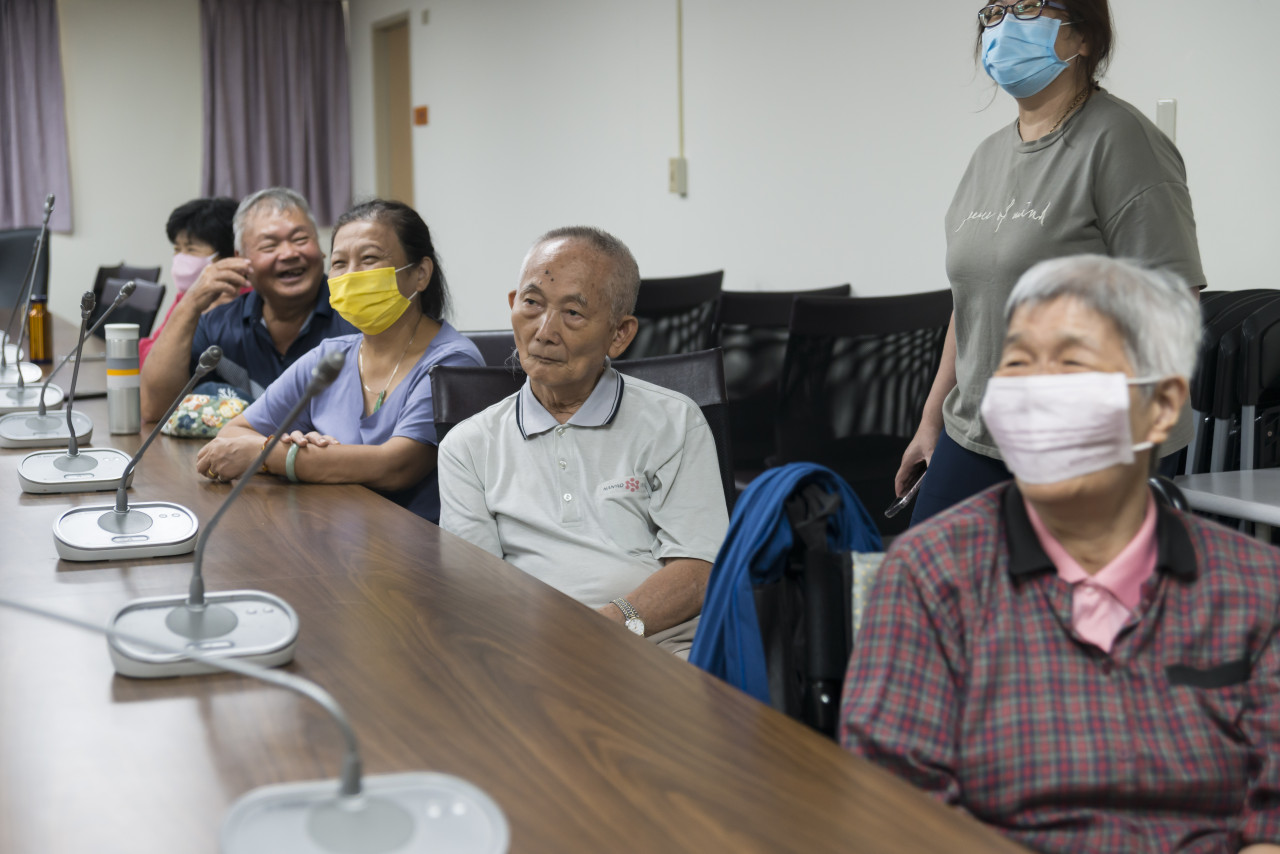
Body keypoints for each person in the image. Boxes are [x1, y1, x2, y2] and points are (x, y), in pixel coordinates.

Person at [842, 255, 1280, 854]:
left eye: (1071, 363)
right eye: (1017, 365)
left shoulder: (1259, 588)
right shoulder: (931, 575)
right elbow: (896, 816)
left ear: (1161, 406)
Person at [897, 0, 1205, 527]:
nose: (1003, 25)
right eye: (993, 11)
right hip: (974, 435)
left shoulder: (1122, 142)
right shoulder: (987, 157)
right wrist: (931, 421)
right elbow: (970, 303)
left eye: (1027, 6)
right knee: (930, 597)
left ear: (1084, 38)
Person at [436, 226, 729, 657]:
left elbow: (699, 569)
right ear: (513, 305)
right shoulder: (468, 446)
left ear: (619, 334)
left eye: (573, 313)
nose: (544, 331)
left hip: (657, 651)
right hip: (527, 656)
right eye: (532, 303)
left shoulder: (674, 420)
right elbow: (477, 589)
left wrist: (601, 627)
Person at [194, 199, 482, 523]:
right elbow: (233, 435)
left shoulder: (454, 362)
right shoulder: (331, 357)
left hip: (418, 554)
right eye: (340, 263)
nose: (351, 276)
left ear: (420, 274)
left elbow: (397, 466)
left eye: (369, 259)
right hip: (333, 539)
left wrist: (270, 454)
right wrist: (302, 446)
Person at [139, 187, 356, 420]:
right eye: (269, 246)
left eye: (301, 239)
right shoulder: (217, 326)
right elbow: (154, 408)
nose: (289, 253)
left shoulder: (355, 318)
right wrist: (191, 302)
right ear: (240, 258)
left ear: (322, 249)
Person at [138, 197, 244, 367]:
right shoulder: (187, 296)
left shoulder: (249, 300)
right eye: (177, 249)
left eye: (191, 249)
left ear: (229, 253)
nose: (181, 257)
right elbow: (149, 356)